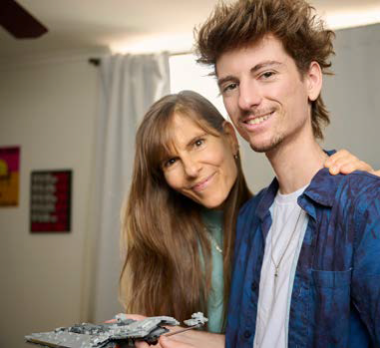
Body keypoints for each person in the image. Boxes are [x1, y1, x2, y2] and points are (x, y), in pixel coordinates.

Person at [118, 90, 377, 348]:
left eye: (198, 143)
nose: (192, 169)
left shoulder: (269, 222)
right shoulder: (159, 243)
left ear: (230, 138)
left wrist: (364, 188)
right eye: (171, 160)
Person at [189, 0, 380, 347]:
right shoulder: (249, 219)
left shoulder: (366, 205)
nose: (246, 99)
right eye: (230, 85)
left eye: (266, 74)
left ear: (311, 80)